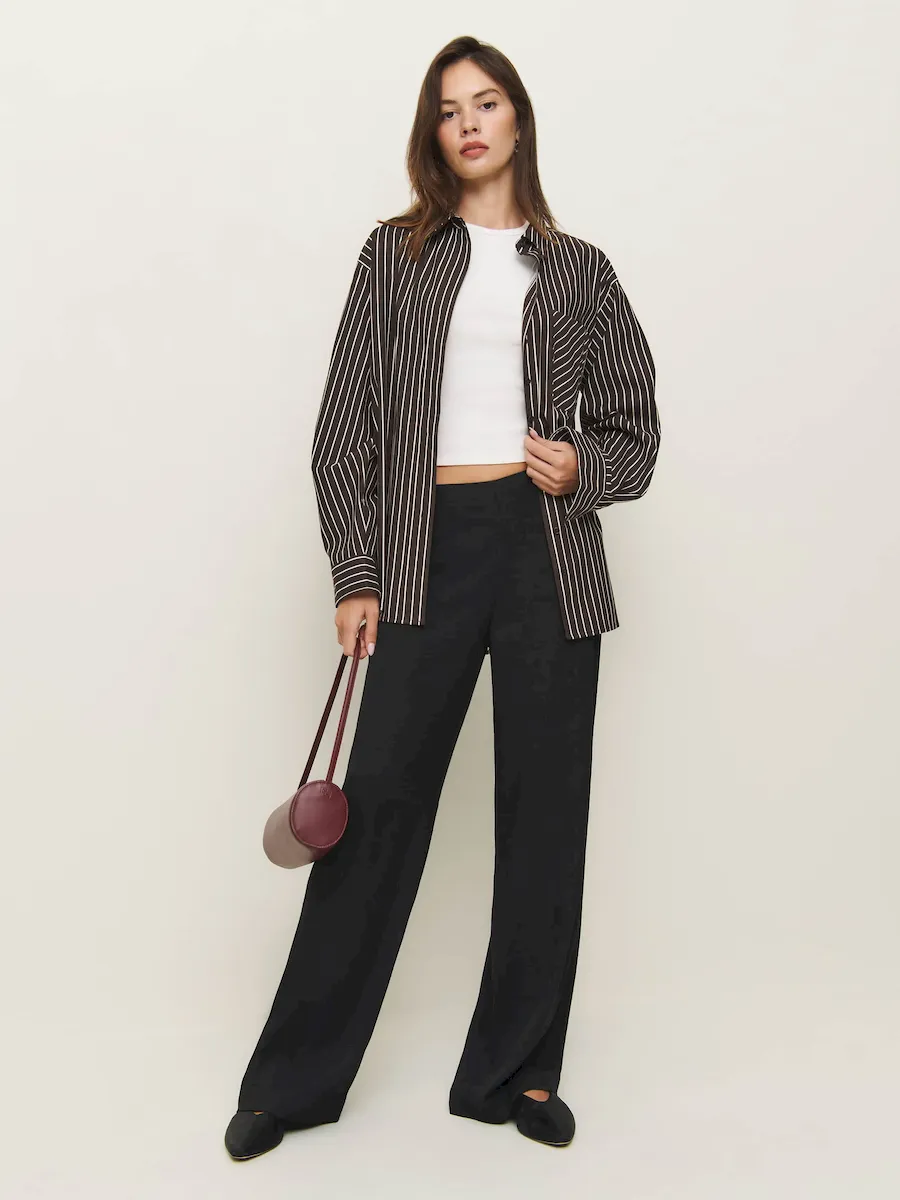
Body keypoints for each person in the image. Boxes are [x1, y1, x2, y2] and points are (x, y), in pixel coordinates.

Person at [225, 34, 660, 1161]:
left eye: (488, 102)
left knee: (545, 814)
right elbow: (344, 431)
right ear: (434, 133)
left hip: (548, 553)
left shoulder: (581, 271)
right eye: (450, 109)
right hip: (424, 547)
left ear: (519, 120)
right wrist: (357, 572)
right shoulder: (395, 254)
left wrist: (583, 468)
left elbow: (637, 431)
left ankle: (519, 1074)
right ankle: (294, 1082)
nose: (469, 122)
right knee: (376, 808)